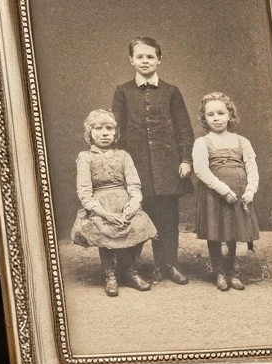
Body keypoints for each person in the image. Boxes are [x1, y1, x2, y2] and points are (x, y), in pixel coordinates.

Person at [111, 36, 194, 286]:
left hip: (167, 166)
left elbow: (184, 129)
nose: (145, 61)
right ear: (131, 60)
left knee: (168, 219)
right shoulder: (123, 91)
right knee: (135, 216)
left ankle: (167, 264)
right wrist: (119, 166)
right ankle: (131, 269)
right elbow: (116, 129)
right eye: (139, 57)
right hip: (135, 167)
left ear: (159, 59)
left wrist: (186, 159)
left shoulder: (171, 92)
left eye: (150, 56)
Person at [68, 109, 155, 296]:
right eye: (98, 128)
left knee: (140, 224)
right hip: (101, 207)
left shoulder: (123, 155)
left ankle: (131, 270)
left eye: (109, 128)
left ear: (116, 133)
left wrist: (133, 203)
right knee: (104, 229)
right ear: (89, 133)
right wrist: (104, 214)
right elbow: (84, 192)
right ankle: (110, 275)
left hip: (124, 203)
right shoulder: (86, 157)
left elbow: (133, 184)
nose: (105, 132)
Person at [192, 91, 261, 292]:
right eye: (210, 114)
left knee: (232, 232)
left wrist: (250, 190)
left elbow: (251, 167)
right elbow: (201, 170)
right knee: (216, 232)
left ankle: (231, 271)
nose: (216, 118)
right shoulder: (202, 142)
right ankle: (219, 272)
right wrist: (222, 189)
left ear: (229, 115)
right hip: (215, 194)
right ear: (204, 118)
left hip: (239, 193)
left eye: (221, 113)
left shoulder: (242, 141)